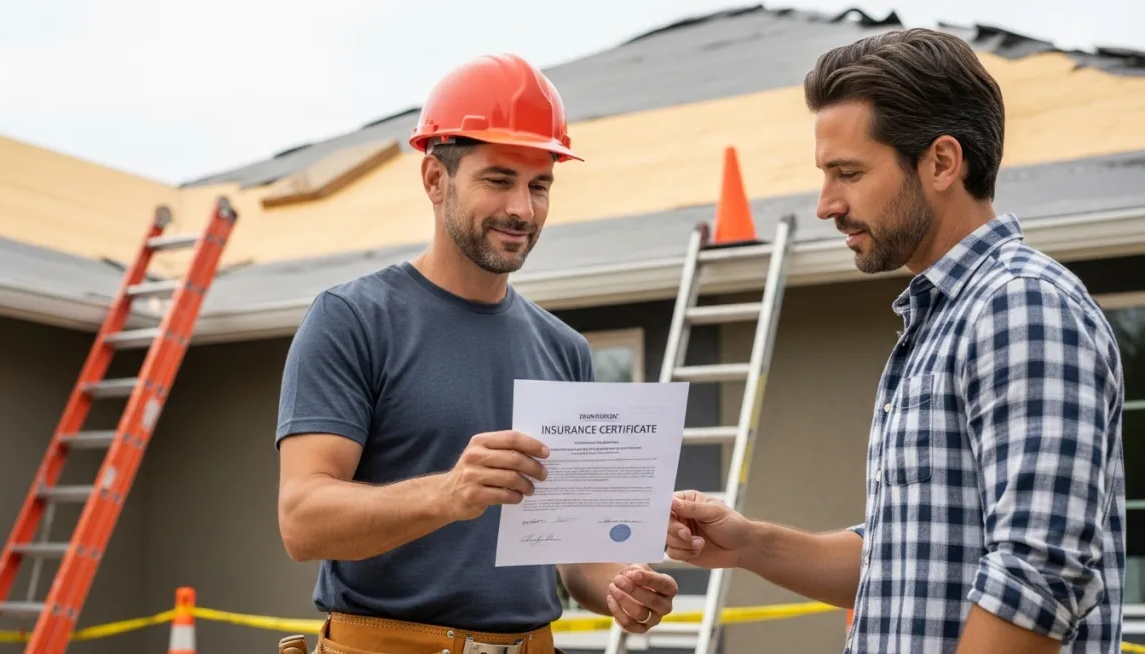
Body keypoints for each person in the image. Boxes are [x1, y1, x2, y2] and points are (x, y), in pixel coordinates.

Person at [665, 28, 1126, 654]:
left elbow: (1037, 579)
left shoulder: (1021, 306)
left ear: (941, 161)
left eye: (848, 172)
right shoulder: (944, 318)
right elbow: (901, 560)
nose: (827, 204)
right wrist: (750, 544)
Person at [274, 53, 679, 654]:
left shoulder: (564, 350)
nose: (523, 208)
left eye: (539, 185)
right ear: (435, 179)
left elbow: (580, 556)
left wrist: (624, 587)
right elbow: (302, 520)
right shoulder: (353, 319)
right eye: (499, 180)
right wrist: (448, 494)